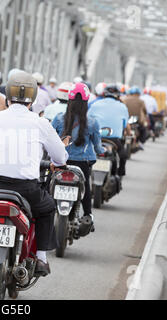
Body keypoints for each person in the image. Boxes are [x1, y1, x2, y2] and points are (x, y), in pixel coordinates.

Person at [0, 71, 69, 277]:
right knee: (46, 210)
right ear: (34, 97)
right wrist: (57, 163)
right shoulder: (41, 123)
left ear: (8, 95)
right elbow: (60, 157)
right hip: (26, 188)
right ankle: (41, 259)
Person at [51, 83, 106, 235]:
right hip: (83, 164)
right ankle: (88, 215)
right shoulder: (93, 122)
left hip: (61, 163)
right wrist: (102, 151)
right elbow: (97, 146)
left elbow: (49, 140)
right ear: (86, 102)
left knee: (48, 185)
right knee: (85, 188)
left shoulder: (58, 119)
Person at [88, 84, 130, 178]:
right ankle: (119, 175)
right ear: (118, 95)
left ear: (104, 94)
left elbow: (88, 121)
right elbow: (124, 124)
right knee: (123, 156)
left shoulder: (95, 104)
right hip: (114, 140)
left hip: (96, 138)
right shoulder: (122, 107)